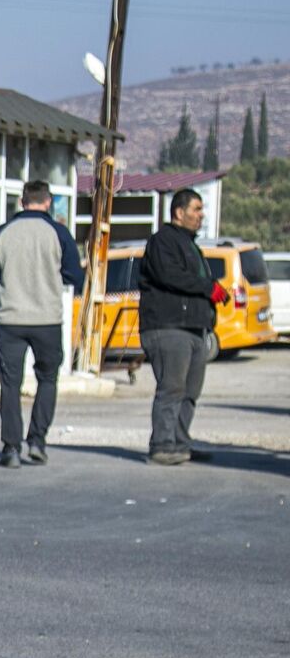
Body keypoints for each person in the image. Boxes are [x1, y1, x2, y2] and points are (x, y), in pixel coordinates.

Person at [0, 180, 84, 468]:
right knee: (48, 379)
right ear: (48, 202)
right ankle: (37, 441)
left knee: (10, 384)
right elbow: (76, 276)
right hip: (47, 320)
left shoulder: (2, 234)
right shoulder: (59, 234)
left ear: (22, 201)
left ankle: (11, 447)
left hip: (11, 320)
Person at [138, 188, 219, 467]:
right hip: (168, 327)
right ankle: (161, 445)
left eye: (201, 209)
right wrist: (209, 287)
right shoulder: (163, 241)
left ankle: (180, 443)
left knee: (190, 392)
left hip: (195, 329)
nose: (201, 215)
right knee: (172, 388)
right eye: (196, 209)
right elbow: (170, 276)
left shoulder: (191, 245)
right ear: (179, 212)